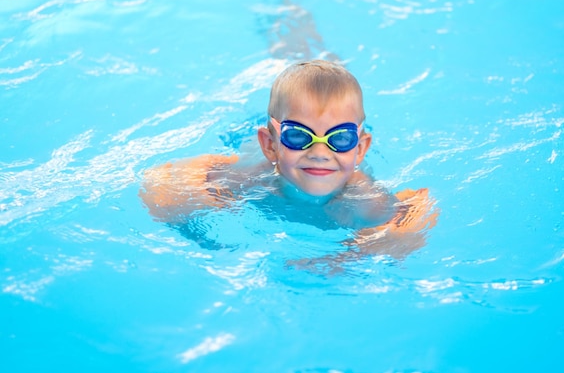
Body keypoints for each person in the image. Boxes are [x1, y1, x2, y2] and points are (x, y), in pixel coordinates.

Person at [140, 60, 438, 259]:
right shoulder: (251, 179)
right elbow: (159, 184)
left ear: (360, 149)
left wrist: (348, 258)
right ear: (270, 145)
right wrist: (199, 234)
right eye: (298, 136)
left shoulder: (364, 199)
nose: (321, 153)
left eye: (340, 139)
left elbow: (417, 214)